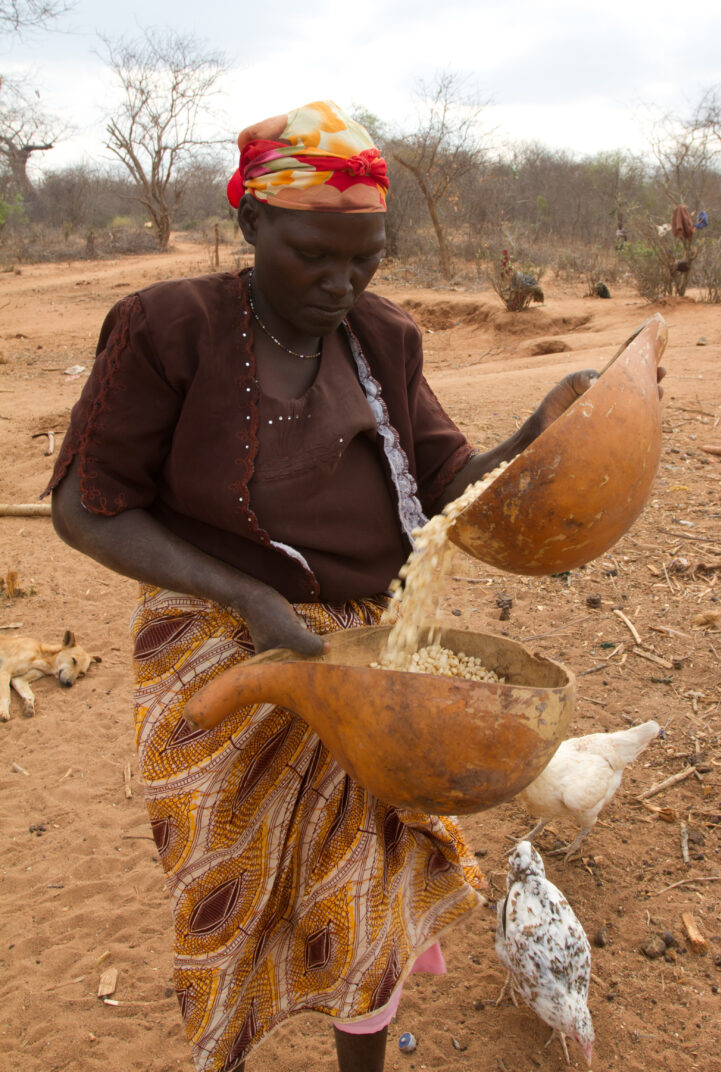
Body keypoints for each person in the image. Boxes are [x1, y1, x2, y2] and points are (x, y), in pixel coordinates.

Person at [48, 100, 604, 1072]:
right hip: (221, 638)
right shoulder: (168, 329)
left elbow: (446, 487)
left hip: (360, 654)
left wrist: (540, 435)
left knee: (365, 889)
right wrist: (252, 600)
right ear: (252, 223)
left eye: (365, 257)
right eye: (314, 254)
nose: (340, 281)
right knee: (237, 882)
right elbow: (86, 508)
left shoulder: (380, 337)